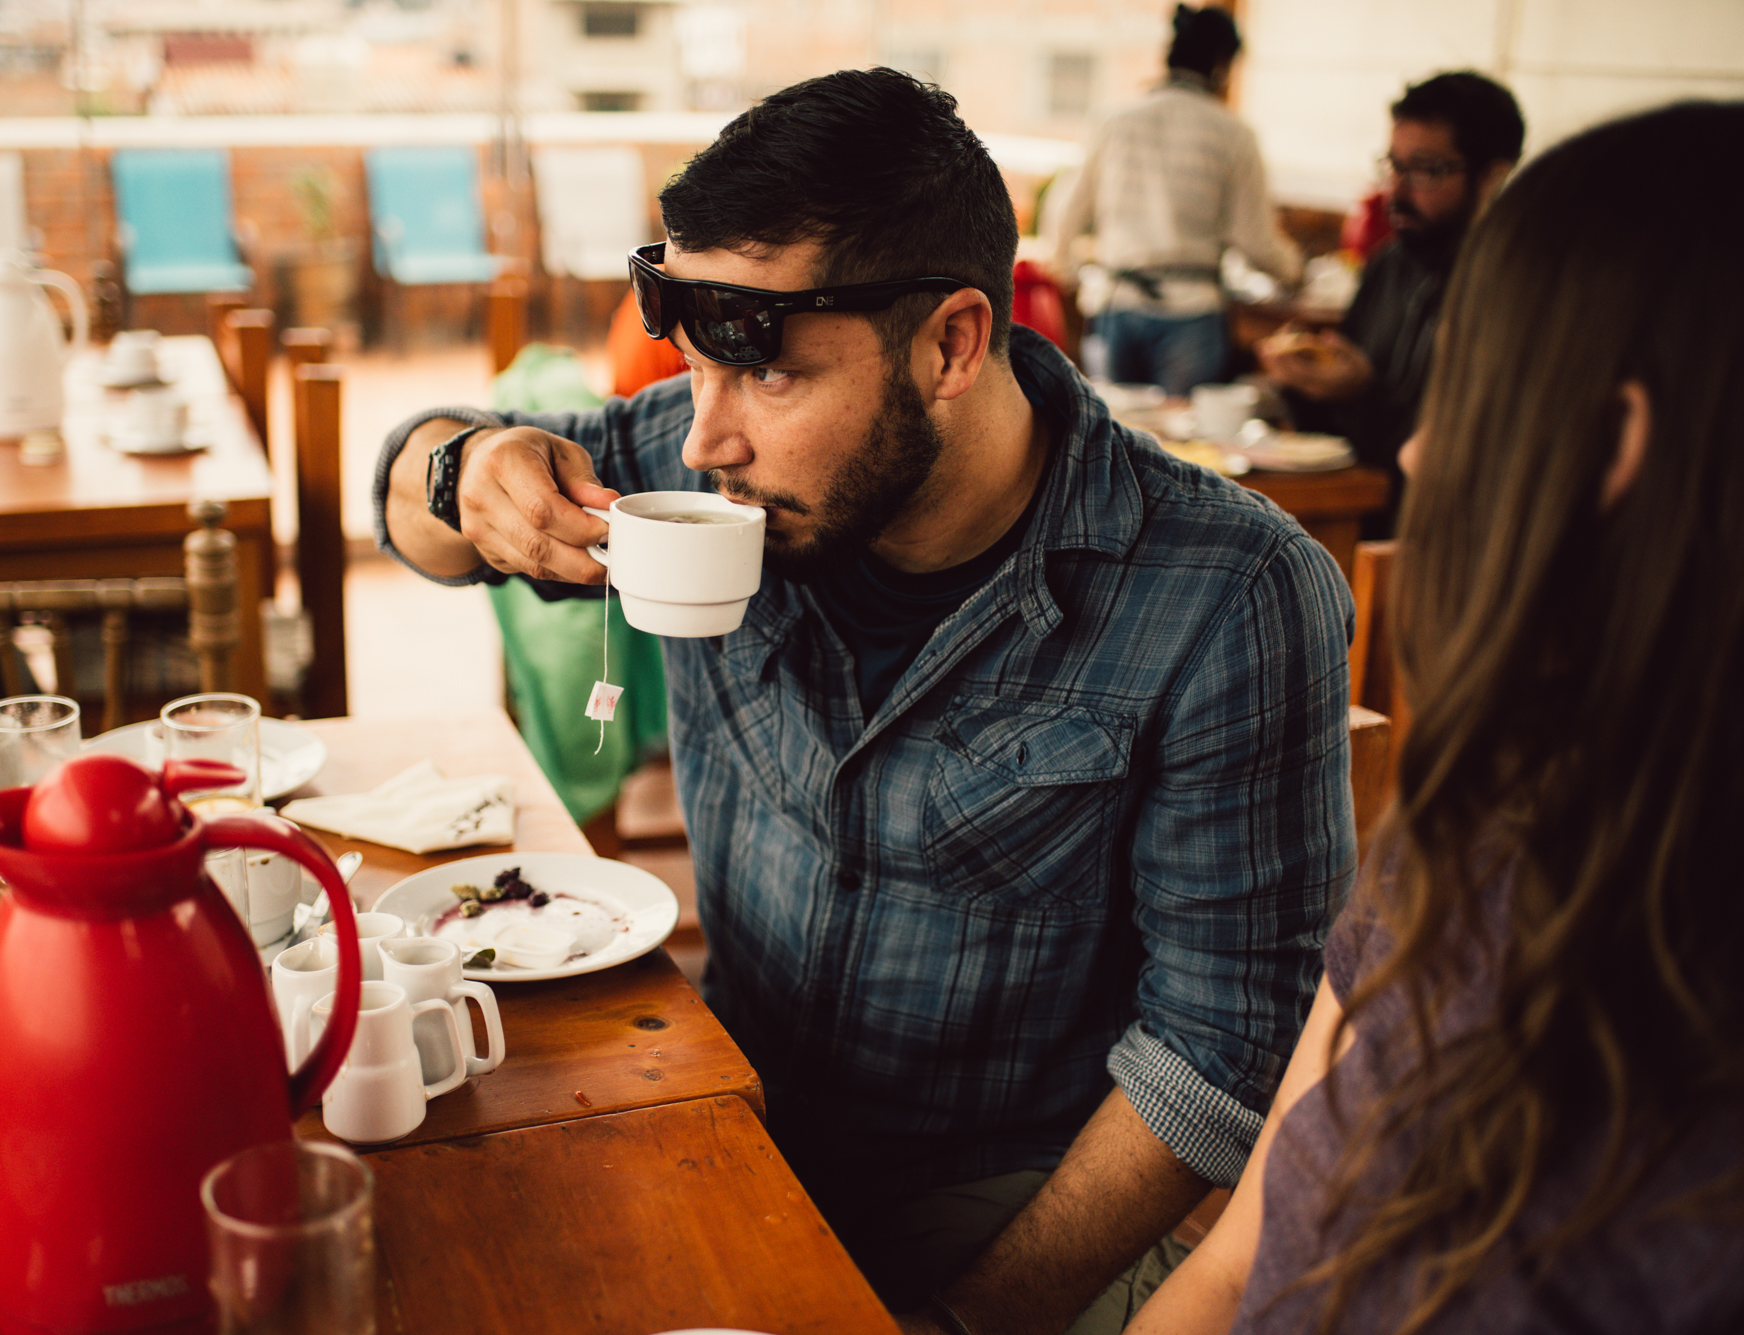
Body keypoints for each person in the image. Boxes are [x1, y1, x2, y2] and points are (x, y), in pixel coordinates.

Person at [375, 69, 1355, 1334]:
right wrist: (463, 468)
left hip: (1009, 1202)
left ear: (950, 341)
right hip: (714, 1102)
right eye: (692, 369)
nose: (697, 442)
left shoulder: (1231, 594)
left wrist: (958, 1321)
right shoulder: (709, 472)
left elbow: (1219, 1051)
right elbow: (406, 509)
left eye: (767, 378)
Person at [1128, 101, 1744, 1334]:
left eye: (1464, 388)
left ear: (1606, 448)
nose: (1413, 451)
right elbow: (1230, 1262)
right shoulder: (1478, 828)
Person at [1258, 71, 1523, 535]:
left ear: (1490, 177)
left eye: (1425, 170)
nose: (1396, 192)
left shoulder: (1515, 289)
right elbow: (1340, 435)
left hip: (1442, 538)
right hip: (1358, 517)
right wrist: (1302, 382)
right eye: (1394, 166)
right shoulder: (1389, 264)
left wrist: (1360, 390)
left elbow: (1471, 450)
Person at [1046, 5, 1301, 396]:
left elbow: (1066, 212)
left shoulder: (1116, 119)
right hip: (1192, 311)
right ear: (1221, 64)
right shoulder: (1232, 133)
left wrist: (1069, 274)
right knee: (1183, 444)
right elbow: (1256, 242)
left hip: (1120, 303)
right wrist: (1294, 270)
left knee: (1118, 438)